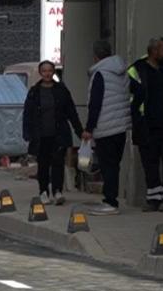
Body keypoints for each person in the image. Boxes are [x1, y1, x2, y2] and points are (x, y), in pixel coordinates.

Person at [128, 37, 163, 211]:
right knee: (150, 164)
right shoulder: (136, 70)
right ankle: (153, 198)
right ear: (154, 51)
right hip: (146, 127)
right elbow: (129, 98)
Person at [23, 60, 84, 205]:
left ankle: (57, 191)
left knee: (58, 162)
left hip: (59, 133)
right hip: (41, 135)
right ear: (40, 73)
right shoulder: (34, 92)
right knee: (43, 164)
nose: (47, 73)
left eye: (50, 70)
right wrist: (27, 133)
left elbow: (71, 112)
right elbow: (27, 114)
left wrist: (79, 131)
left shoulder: (61, 90)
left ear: (54, 72)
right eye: (44, 71)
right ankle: (43, 191)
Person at [82, 39, 132, 215]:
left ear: (95, 56)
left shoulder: (100, 74)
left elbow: (95, 103)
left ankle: (110, 201)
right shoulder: (122, 72)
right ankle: (111, 199)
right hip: (121, 127)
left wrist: (89, 128)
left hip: (105, 127)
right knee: (114, 165)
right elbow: (138, 91)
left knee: (108, 166)